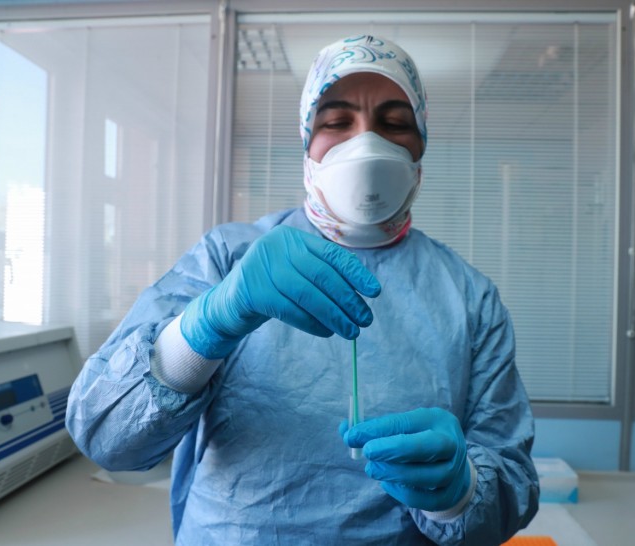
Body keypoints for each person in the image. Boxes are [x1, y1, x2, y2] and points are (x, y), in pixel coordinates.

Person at [66, 34, 539, 545]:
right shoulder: (229, 258)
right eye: (336, 122)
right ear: (307, 144)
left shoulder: (469, 297)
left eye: (395, 124)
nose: (366, 144)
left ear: (421, 145)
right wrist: (210, 322)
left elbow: (510, 480)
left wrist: (460, 494)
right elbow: (106, 438)